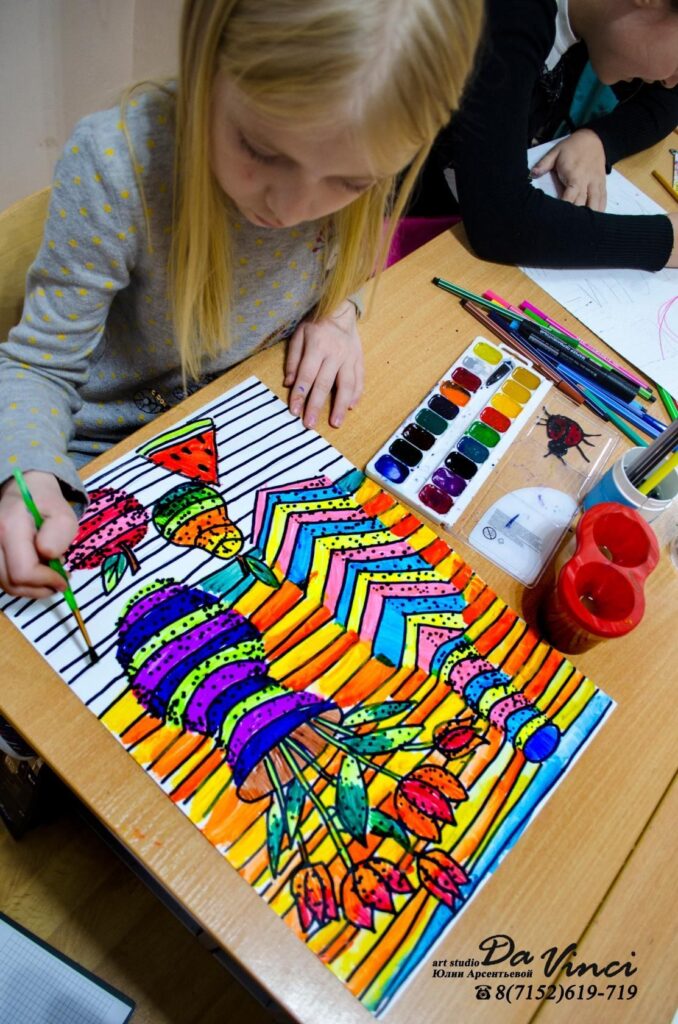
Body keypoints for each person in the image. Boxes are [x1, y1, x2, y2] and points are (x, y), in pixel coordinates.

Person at [0, 0, 483, 603]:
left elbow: (357, 253)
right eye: (262, 150)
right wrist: (29, 475)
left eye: (350, 182)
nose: (292, 207)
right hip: (91, 454)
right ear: (208, 57)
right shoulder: (118, 168)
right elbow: (36, 366)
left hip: (240, 430)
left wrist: (339, 311)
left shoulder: (362, 145)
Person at [408, 0, 678, 269]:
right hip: (394, 224)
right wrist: (663, 240)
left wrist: (600, 139)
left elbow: (670, 100)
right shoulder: (512, 16)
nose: (672, 79)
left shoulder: (595, 20)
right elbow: (501, 223)